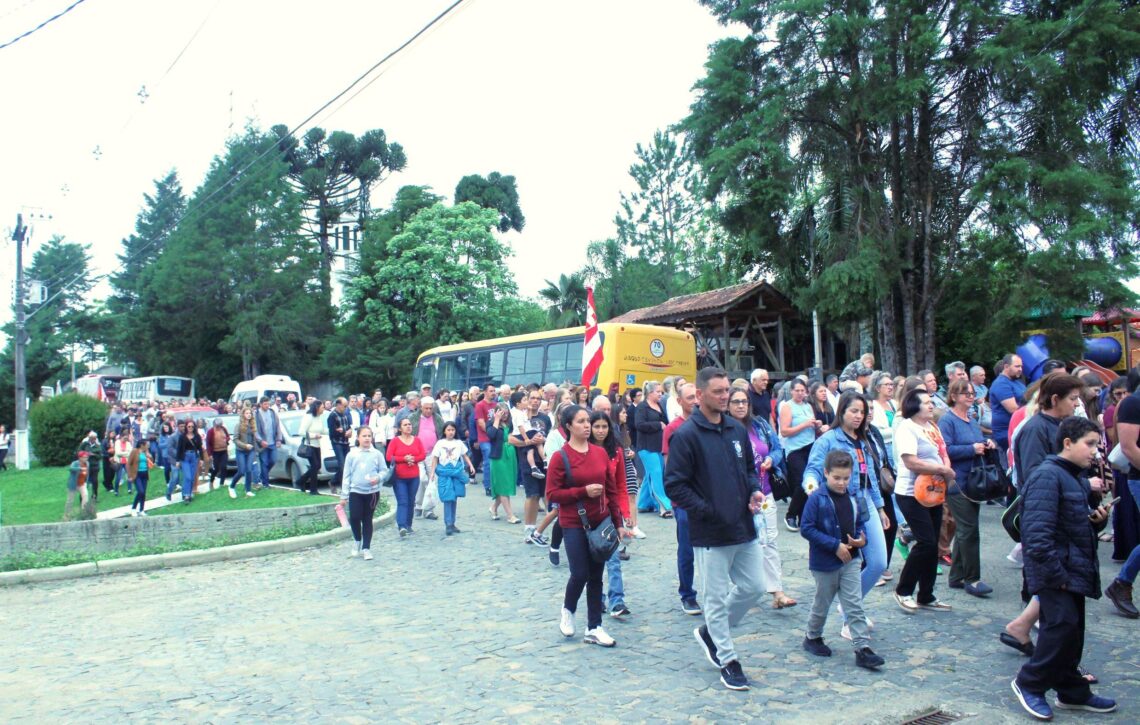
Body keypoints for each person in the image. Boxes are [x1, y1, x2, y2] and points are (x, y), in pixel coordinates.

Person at [665, 367, 765, 691]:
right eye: (718, 391)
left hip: (743, 525)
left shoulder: (736, 429)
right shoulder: (686, 435)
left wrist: (753, 491)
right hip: (710, 533)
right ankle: (728, 659)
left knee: (755, 587)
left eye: (727, 390)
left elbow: (749, 470)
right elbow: (675, 486)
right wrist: (708, 510)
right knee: (715, 599)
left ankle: (711, 631)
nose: (725, 396)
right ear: (700, 393)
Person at [1011, 416, 1117, 720]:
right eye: (1090, 444)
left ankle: (1072, 691)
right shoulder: (1048, 475)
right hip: (1057, 571)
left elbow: (1072, 523)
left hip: (1072, 567)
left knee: (1071, 633)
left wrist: (1097, 520)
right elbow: (1037, 534)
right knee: (1061, 629)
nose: (1095, 452)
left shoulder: (1071, 476)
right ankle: (1028, 683)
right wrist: (1056, 575)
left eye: (1096, 445)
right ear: (1067, 443)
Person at [802, 391, 889, 632]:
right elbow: (812, 470)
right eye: (854, 411)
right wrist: (811, 489)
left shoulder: (865, 439)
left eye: (862, 411)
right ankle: (851, 619)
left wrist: (880, 507)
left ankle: (849, 606)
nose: (859, 416)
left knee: (879, 562)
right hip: (840, 506)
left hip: (866, 504)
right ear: (841, 412)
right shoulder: (828, 439)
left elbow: (870, 476)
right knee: (849, 563)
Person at [546, 405, 629, 648]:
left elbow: (612, 490)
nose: (586, 426)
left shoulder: (600, 453)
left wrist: (618, 523)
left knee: (596, 575)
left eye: (588, 421)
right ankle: (568, 609)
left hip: (600, 520)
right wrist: (582, 491)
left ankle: (594, 627)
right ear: (568, 426)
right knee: (579, 573)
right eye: (581, 421)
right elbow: (552, 493)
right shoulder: (560, 458)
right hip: (573, 522)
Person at [800, 449, 885, 670]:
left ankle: (862, 648)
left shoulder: (854, 497)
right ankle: (812, 636)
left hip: (851, 560)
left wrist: (860, 541)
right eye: (836, 478)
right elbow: (807, 528)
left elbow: (859, 524)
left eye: (845, 478)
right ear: (826, 473)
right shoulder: (817, 498)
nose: (841, 483)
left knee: (854, 604)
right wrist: (833, 545)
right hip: (825, 563)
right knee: (822, 603)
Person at [728, 385, 795, 610]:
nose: (740, 406)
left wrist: (772, 460)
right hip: (737, 497)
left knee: (769, 540)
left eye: (744, 401)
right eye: (735, 402)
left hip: (764, 492)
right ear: (727, 405)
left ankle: (777, 591)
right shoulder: (723, 429)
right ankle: (742, 589)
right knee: (740, 544)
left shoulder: (760, 425)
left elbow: (777, 448)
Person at [892, 388, 955, 613]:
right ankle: (903, 590)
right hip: (911, 493)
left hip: (933, 492)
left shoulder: (932, 427)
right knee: (926, 542)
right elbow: (911, 462)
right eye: (926, 402)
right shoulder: (907, 428)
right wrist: (940, 469)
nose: (931, 405)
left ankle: (926, 595)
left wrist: (945, 467)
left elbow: (942, 452)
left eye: (931, 402)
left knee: (933, 544)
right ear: (914, 406)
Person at [938, 379, 995, 597]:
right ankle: (972, 578)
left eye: (971, 393)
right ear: (953, 396)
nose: (970, 397)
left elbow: (978, 441)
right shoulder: (947, 421)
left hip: (973, 481)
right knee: (969, 529)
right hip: (956, 482)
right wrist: (972, 448)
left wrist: (986, 445)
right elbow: (946, 450)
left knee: (966, 529)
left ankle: (957, 576)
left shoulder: (970, 420)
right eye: (965, 394)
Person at [588, 409, 633, 618]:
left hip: (610, 511)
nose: (600, 431)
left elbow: (620, 485)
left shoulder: (615, 451)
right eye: (596, 426)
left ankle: (617, 600)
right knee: (593, 560)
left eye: (604, 426)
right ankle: (598, 599)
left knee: (613, 557)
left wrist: (625, 514)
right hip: (589, 512)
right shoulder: (583, 450)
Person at [664, 382, 700, 614]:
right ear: (679, 401)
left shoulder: (707, 424)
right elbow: (670, 469)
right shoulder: (673, 429)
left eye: (697, 397)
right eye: (689, 398)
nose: (695, 401)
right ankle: (687, 593)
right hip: (685, 500)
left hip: (709, 496)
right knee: (687, 548)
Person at [340, 426, 387, 560]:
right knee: (355, 517)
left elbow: (384, 471)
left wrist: (377, 478)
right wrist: (344, 495)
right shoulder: (352, 454)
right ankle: (357, 540)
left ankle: (366, 548)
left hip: (372, 493)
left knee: (367, 519)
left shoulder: (376, 454)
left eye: (369, 436)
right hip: (356, 491)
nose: (367, 438)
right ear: (358, 438)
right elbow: (346, 475)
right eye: (364, 436)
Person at [780, 378, 819, 530]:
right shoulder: (787, 406)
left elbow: (811, 425)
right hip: (795, 449)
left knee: (811, 482)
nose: (800, 393)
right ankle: (791, 514)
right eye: (797, 390)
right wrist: (805, 424)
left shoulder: (808, 406)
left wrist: (816, 425)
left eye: (803, 390)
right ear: (791, 391)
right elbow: (784, 431)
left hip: (810, 446)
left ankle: (804, 517)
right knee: (803, 483)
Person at [428, 422, 475, 536]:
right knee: (448, 498)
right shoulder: (440, 443)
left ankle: (452, 523)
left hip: (456, 472)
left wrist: (471, 465)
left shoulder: (459, 443)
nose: (451, 432)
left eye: (453, 430)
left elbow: (464, 455)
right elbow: (435, 458)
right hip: (444, 473)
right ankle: (448, 523)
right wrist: (432, 472)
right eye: (448, 430)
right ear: (444, 431)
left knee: (454, 498)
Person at [635, 381, 671, 517]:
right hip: (646, 447)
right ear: (650, 393)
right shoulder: (642, 407)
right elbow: (639, 424)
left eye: (661, 392)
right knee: (656, 474)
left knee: (651, 474)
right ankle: (664, 506)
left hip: (659, 446)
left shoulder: (660, 405)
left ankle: (643, 504)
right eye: (658, 392)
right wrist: (658, 425)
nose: (661, 394)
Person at [386, 417, 425, 538]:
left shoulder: (417, 440)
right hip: (399, 477)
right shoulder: (395, 441)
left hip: (414, 476)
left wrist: (413, 459)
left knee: (411, 500)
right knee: (403, 501)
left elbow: (422, 454)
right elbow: (388, 457)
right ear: (400, 428)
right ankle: (401, 526)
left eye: (409, 424)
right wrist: (404, 459)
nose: (408, 426)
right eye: (405, 425)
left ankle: (409, 524)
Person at [409, 396, 444, 521]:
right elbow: (407, 433)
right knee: (421, 479)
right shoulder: (413, 418)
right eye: (426, 408)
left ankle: (429, 510)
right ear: (421, 407)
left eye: (431, 408)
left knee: (432, 481)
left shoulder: (438, 419)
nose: (428, 410)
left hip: (432, 454)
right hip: (417, 454)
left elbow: (442, 434)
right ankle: (418, 505)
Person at [990, 354, 1026, 469]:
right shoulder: (1001, 384)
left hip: (1019, 429)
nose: (1020, 369)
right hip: (1007, 433)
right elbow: (1013, 409)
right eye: (1017, 366)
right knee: (1016, 467)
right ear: (1006, 366)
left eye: (1021, 366)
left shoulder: (1016, 381)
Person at [486, 404, 520, 523]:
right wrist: (496, 419)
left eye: (506, 413)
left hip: (510, 455)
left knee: (507, 484)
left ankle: (494, 508)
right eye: (502, 413)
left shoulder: (510, 424)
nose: (504, 416)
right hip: (498, 457)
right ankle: (510, 515)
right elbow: (491, 435)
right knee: (503, 486)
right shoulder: (491, 424)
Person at [255, 396, 285, 491]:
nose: (267, 406)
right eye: (265, 404)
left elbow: (278, 427)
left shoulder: (272, 413)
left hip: (272, 442)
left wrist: (279, 439)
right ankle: (266, 483)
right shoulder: (256, 414)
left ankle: (263, 475)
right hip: (262, 444)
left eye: (268, 404)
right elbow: (255, 430)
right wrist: (260, 440)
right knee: (264, 462)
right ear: (260, 404)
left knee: (273, 460)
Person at [474, 383, 499, 496]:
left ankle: (496, 485)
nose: (493, 393)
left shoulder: (496, 404)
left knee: (497, 462)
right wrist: (491, 432)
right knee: (488, 462)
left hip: (495, 437)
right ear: (485, 392)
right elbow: (480, 422)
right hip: (484, 438)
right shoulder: (480, 405)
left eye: (494, 391)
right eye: (491, 391)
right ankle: (488, 486)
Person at [230, 407, 258, 498]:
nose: (249, 414)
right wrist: (245, 445)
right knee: (241, 471)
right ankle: (231, 487)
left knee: (249, 470)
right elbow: (235, 439)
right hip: (241, 451)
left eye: (250, 413)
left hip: (251, 451)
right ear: (243, 415)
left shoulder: (252, 425)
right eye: (246, 413)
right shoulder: (238, 425)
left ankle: (248, 490)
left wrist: (255, 450)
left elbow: (254, 439)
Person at [176, 420, 205, 504]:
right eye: (189, 426)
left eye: (192, 426)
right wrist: (178, 460)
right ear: (186, 427)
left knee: (192, 477)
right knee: (187, 476)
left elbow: (200, 448)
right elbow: (179, 449)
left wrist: (202, 459)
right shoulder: (182, 436)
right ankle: (186, 495)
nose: (190, 428)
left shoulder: (197, 436)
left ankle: (188, 492)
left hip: (194, 457)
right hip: (185, 457)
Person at [328, 397, 352, 496]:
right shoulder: (332, 416)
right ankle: (344, 489)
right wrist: (342, 433)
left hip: (346, 442)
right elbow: (332, 433)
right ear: (338, 405)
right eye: (344, 406)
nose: (345, 408)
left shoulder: (346, 414)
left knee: (347, 465)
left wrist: (349, 431)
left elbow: (349, 426)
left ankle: (333, 481)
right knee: (342, 465)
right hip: (337, 443)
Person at [127, 439, 155, 516]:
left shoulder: (146, 452)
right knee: (140, 491)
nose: (148, 446)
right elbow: (129, 463)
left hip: (145, 473)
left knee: (143, 493)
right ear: (142, 445)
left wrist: (150, 456)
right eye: (147, 444)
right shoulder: (135, 451)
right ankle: (133, 508)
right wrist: (129, 475)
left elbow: (151, 462)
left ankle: (141, 509)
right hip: (137, 474)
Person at [206, 418, 230, 492]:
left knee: (224, 466)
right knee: (215, 468)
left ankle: (222, 483)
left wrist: (226, 439)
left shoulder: (223, 429)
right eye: (217, 426)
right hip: (215, 452)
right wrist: (209, 454)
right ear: (215, 425)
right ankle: (211, 482)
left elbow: (228, 436)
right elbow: (208, 443)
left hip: (224, 451)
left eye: (220, 426)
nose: (219, 427)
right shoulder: (211, 431)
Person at [78, 431, 103, 501]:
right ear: (89, 438)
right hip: (85, 466)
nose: (93, 440)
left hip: (95, 466)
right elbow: (79, 452)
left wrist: (93, 454)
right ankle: (82, 497)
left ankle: (94, 496)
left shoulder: (97, 446)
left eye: (94, 438)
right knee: (84, 482)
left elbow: (100, 456)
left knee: (95, 481)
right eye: (91, 438)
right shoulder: (84, 444)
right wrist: (85, 454)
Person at [112, 431, 133, 496]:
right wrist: (126, 453)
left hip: (126, 462)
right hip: (119, 462)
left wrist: (123, 452)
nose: (125, 440)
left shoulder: (128, 443)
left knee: (129, 475)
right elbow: (118, 453)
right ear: (121, 437)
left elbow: (130, 452)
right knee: (118, 477)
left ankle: (129, 489)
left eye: (126, 439)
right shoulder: (117, 443)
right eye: (124, 438)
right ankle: (116, 491)